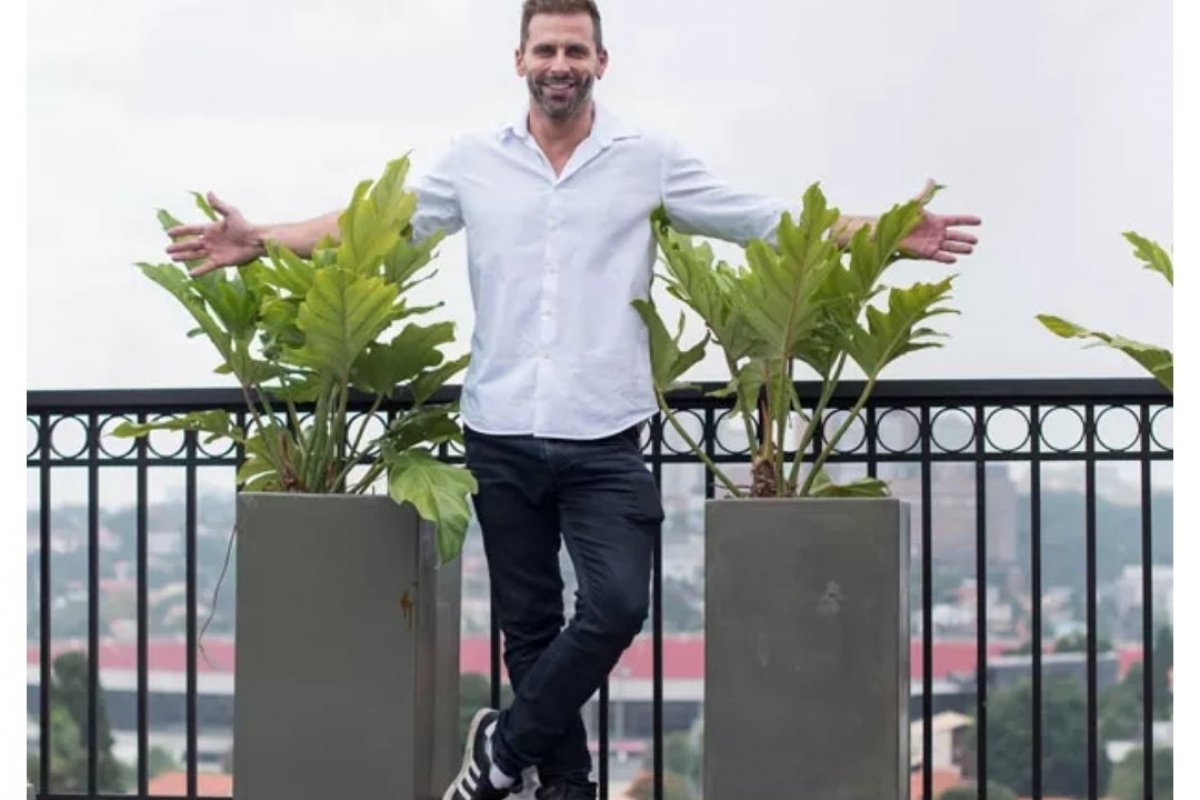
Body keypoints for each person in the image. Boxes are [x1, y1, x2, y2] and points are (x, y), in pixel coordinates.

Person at [165, 2, 982, 798]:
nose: (561, 65)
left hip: (604, 433)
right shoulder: (473, 161)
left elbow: (762, 221)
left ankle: (501, 751)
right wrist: (258, 240)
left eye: (576, 51)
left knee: (618, 603)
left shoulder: (645, 159)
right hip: (499, 429)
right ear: (519, 59)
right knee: (529, 628)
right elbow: (368, 227)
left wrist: (887, 232)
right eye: (547, 50)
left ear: (601, 62)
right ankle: (565, 783)